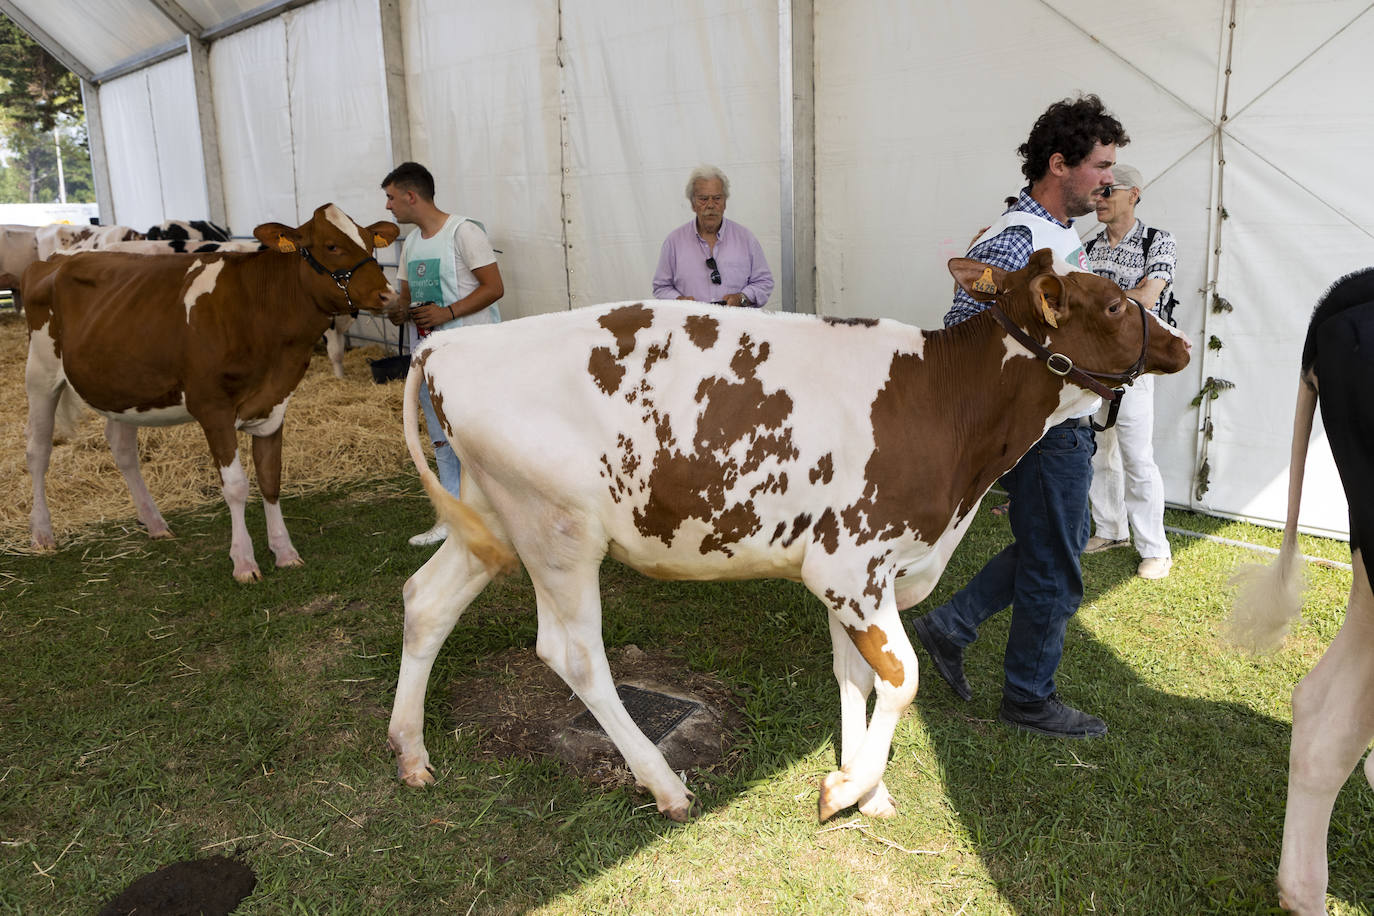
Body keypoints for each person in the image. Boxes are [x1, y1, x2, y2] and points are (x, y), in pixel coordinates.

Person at [907, 94, 1129, 739]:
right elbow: (962, 332)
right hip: (1044, 429)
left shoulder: (1058, 236)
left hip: (1058, 423)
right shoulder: (1020, 238)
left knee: (1053, 540)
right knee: (1058, 561)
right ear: (1059, 164)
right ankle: (1029, 696)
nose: (1109, 180)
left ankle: (951, 625)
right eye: (1101, 166)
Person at [379, 161, 504, 546]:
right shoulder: (411, 243)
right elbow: (404, 298)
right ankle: (453, 516)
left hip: (471, 355)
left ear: (411, 196)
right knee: (440, 437)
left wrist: (447, 313)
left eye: (390, 198)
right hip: (429, 357)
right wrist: (396, 309)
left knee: (479, 437)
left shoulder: (463, 232)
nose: (387, 207)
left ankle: (498, 513)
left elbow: (494, 287)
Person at [1081, 164, 1177, 580]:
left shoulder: (1159, 241)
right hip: (1093, 367)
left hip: (1134, 366)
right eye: (1097, 194)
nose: (1098, 200)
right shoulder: (1086, 247)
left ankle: (1155, 549)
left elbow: (1149, 298)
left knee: (1138, 458)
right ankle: (1109, 529)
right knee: (1100, 452)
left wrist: (1101, 308)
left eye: (1107, 192)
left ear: (1133, 194)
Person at [652, 165, 773, 308]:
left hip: (737, 324)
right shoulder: (674, 242)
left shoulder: (746, 239)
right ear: (692, 204)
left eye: (717, 198)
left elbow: (764, 282)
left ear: (725, 203)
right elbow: (661, 287)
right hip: (691, 325)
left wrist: (742, 298)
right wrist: (679, 301)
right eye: (703, 199)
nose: (710, 205)